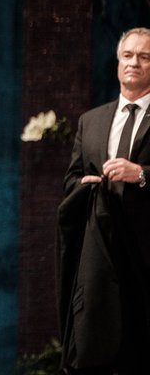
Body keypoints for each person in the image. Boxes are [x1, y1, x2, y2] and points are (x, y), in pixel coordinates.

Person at [59, 27, 150, 374]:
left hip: (144, 257)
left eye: (144, 57)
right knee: (92, 349)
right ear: (117, 63)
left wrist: (140, 173)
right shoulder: (92, 120)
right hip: (98, 255)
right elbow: (71, 178)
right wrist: (83, 184)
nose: (134, 63)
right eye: (128, 55)